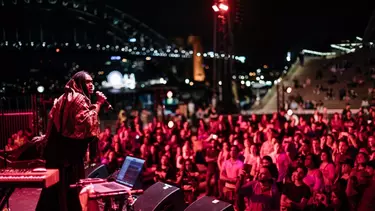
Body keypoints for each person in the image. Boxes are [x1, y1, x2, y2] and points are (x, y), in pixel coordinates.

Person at [36, 71, 107, 211]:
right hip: (69, 157)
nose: (91, 85)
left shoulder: (64, 98)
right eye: (88, 82)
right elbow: (88, 124)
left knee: (53, 194)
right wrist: (99, 103)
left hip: (57, 155)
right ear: (79, 83)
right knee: (69, 194)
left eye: (92, 82)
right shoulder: (79, 99)